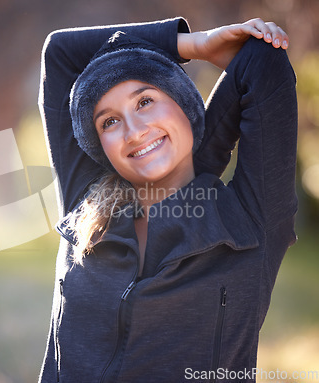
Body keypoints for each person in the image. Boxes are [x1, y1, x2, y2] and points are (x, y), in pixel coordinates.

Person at [38, 16, 297, 383]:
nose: (133, 131)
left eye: (145, 101)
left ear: (183, 104)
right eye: (108, 122)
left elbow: (262, 58)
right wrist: (192, 45)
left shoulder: (252, 219)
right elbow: (59, 52)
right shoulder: (86, 203)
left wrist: (202, 45)